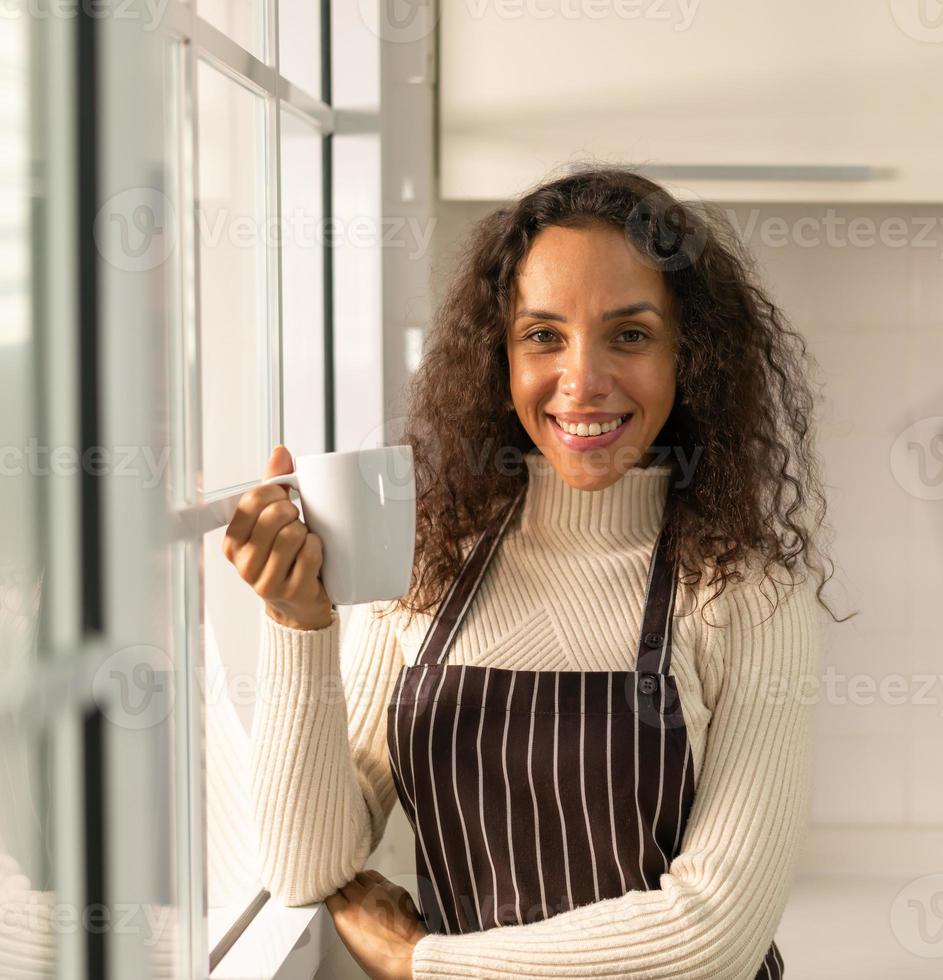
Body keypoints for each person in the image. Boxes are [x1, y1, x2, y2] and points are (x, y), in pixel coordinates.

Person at [224, 166, 846, 979]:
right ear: (500, 355)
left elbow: (711, 939)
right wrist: (297, 623)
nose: (581, 381)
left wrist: (425, 964)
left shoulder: (746, 597)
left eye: (629, 334)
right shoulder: (427, 567)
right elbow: (306, 866)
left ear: (689, 356)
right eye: (543, 335)